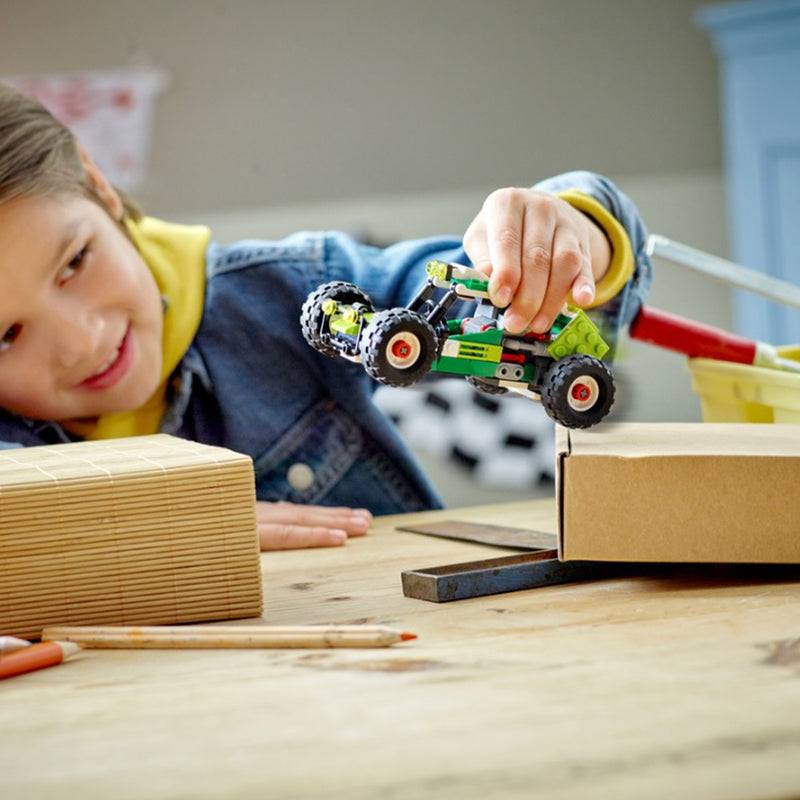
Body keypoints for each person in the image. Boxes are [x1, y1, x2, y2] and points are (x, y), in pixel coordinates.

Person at [0, 82, 651, 550]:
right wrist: (135, 526)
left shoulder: (284, 290)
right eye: (5, 336)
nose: (80, 341)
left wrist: (568, 233)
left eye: (74, 262)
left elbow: (471, 284)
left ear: (98, 184)